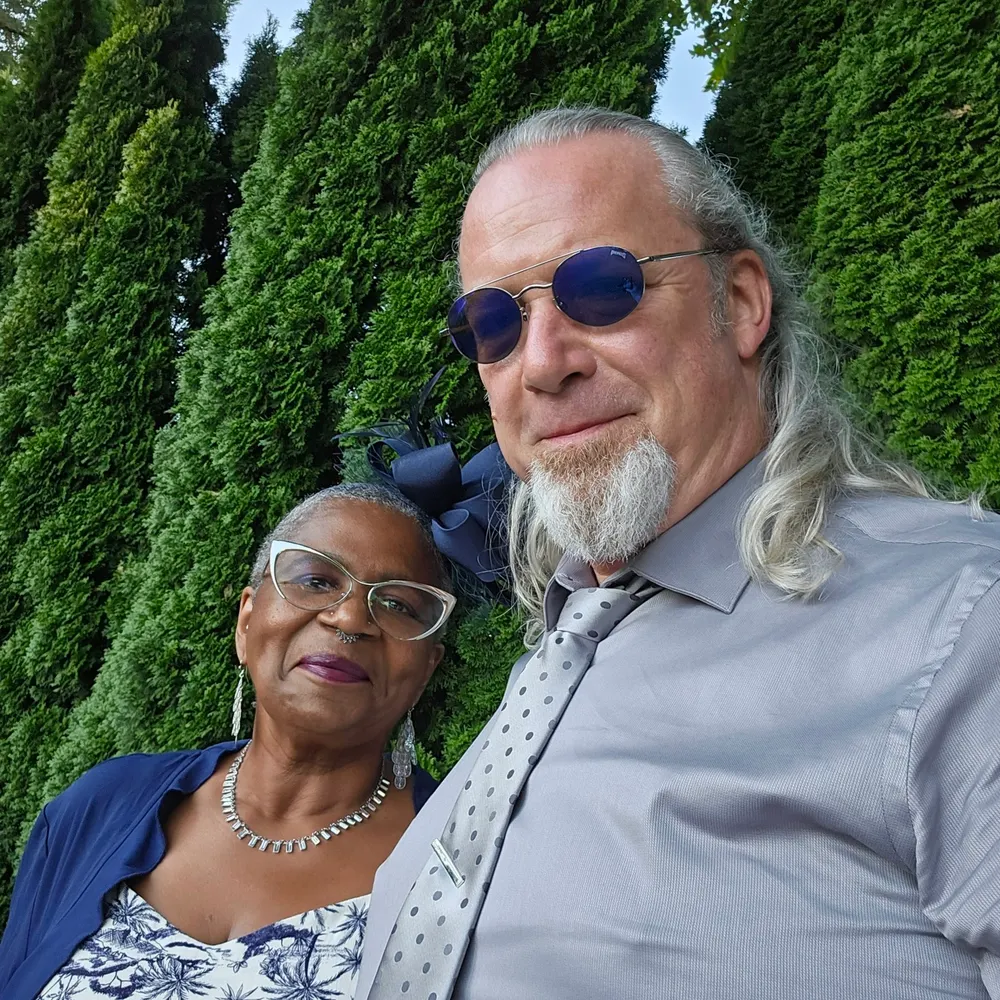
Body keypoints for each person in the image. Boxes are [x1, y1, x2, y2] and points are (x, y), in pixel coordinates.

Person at [356, 107, 1000, 1000]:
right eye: (493, 323)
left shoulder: (962, 622)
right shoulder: (562, 654)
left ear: (740, 304)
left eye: (600, 286)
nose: (540, 362)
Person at [0, 482, 458, 1000]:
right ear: (246, 621)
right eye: (316, 580)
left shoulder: (457, 867)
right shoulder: (99, 807)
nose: (350, 619)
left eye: (397, 604)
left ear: (425, 670)